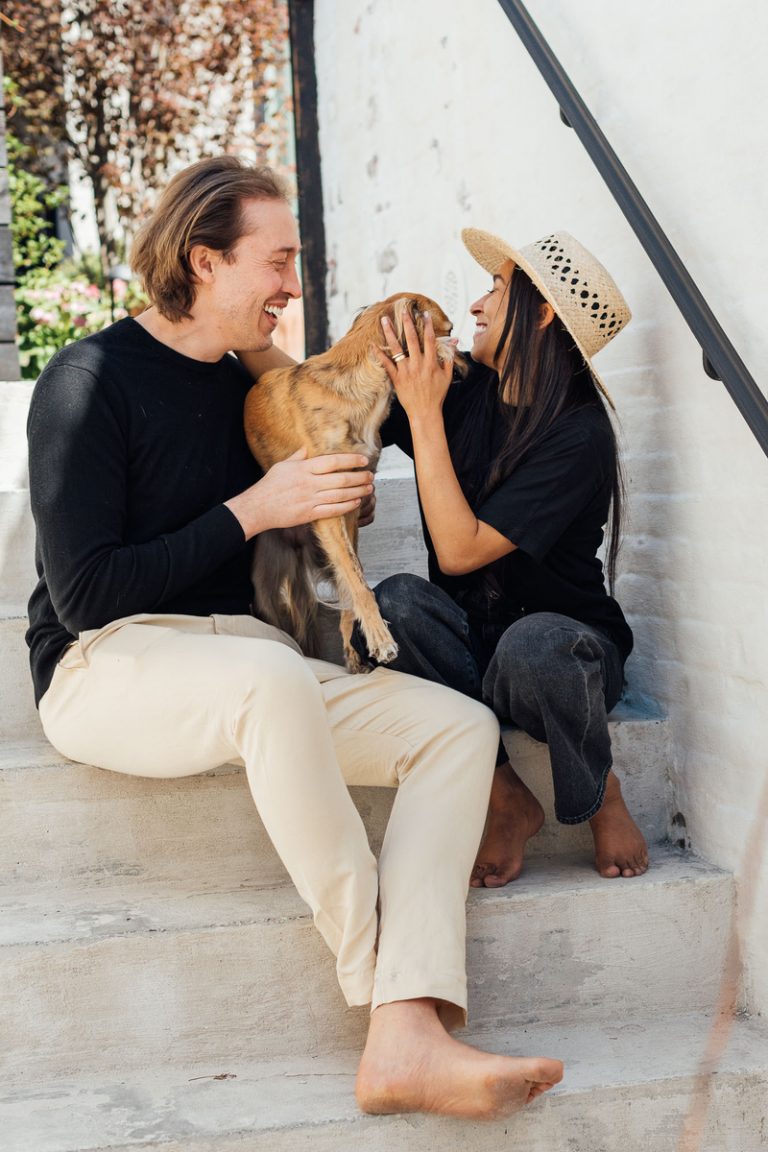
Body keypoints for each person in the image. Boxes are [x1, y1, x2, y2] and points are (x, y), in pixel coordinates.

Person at [25, 158, 563, 1118]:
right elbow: (82, 593)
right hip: (108, 662)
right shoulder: (88, 380)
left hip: (250, 658)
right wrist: (253, 508)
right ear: (204, 261)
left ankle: (407, 1024)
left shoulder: (260, 387)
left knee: (457, 732)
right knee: (267, 681)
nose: (294, 288)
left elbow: (364, 401)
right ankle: (383, 994)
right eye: (277, 263)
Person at [365, 228, 649, 887]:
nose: (476, 306)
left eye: (497, 289)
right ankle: (506, 796)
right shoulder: (463, 393)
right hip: (475, 649)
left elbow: (460, 552)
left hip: (565, 654)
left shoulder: (579, 435)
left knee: (537, 643)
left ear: (543, 313)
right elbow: (336, 397)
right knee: (394, 607)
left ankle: (600, 793)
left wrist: (423, 415)